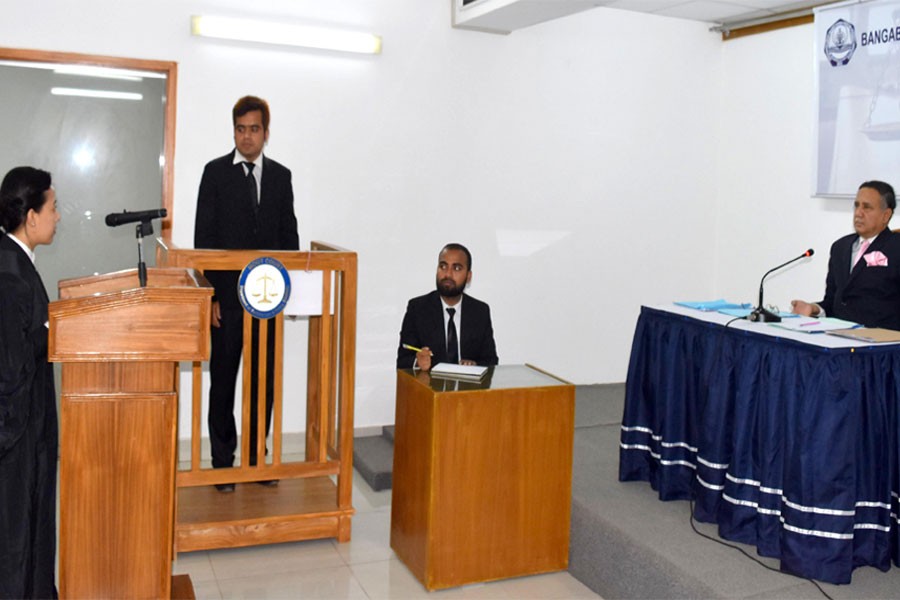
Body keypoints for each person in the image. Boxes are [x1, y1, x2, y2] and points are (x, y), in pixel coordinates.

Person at [194, 96, 299, 491]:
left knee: (262, 382)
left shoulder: (281, 177)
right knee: (222, 382)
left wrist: (287, 292)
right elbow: (204, 239)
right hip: (226, 300)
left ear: (266, 133)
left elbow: (289, 237)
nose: (247, 137)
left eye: (254, 129)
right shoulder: (215, 173)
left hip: (267, 300)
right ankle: (223, 463)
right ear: (234, 131)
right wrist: (211, 298)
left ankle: (256, 459)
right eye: (240, 129)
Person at [0, 166, 60, 598]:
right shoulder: (10, 274)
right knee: (16, 539)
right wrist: (50, 331)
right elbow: (10, 367)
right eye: (53, 207)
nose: (58, 216)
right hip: (17, 438)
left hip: (29, 432)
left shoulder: (17, 260)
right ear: (31, 216)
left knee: (31, 530)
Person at [791, 180, 900, 329]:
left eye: (867, 207)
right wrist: (813, 308)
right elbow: (832, 302)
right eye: (857, 205)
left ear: (886, 215)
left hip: (881, 339)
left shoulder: (895, 247)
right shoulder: (840, 248)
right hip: (838, 335)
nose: (858, 213)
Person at [397, 243, 498, 370]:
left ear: (468, 276)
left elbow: (491, 361)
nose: (448, 274)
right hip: (430, 383)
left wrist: (474, 366)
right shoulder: (418, 309)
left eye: (457, 268)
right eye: (443, 266)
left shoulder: (480, 311)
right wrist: (418, 362)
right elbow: (402, 360)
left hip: (467, 383)